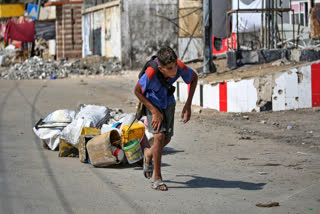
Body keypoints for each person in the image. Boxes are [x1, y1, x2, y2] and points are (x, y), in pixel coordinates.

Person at [134, 46, 198, 191]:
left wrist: (188, 105)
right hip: (152, 102)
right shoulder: (151, 72)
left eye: (175, 66)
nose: (174, 71)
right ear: (161, 68)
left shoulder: (178, 66)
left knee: (167, 138)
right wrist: (154, 111)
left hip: (168, 101)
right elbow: (137, 91)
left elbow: (194, 78)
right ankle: (157, 179)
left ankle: (148, 153)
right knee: (159, 137)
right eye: (169, 68)